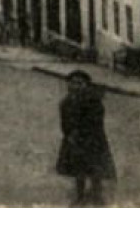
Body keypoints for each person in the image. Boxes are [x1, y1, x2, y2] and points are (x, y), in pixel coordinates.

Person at [56, 71, 116, 206]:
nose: (75, 86)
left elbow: (96, 121)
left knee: (95, 169)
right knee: (78, 170)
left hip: (92, 140)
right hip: (73, 140)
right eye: (72, 83)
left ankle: (97, 194)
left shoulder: (93, 102)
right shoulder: (66, 102)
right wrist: (68, 135)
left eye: (79, 83)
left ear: (86, 85)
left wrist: (83, 134)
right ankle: (80, 196)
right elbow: (64, 122)